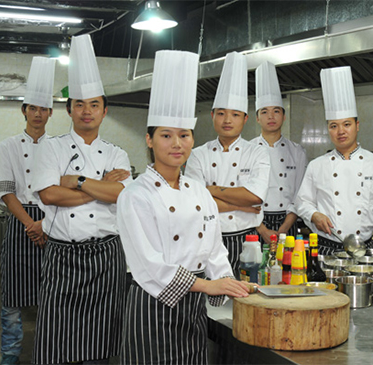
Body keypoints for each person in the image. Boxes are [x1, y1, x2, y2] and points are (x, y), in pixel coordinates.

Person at [117, 50, 250, 365]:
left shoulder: (198, 190)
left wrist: (231, 285)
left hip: (193, 309)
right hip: (153, 306)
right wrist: (207, 284)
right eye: (166, 135)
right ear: (149, 140)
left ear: (192, 139)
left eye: (184, 135)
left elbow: (214, 249)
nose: (177, 144)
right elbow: (150, 266)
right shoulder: (135, 195)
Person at [31, 34, 132, 364]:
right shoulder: (51, 147)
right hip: (62, 256)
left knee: (103, 338)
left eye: (94, 104)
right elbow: (48, 193)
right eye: (79, 104)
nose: (87, 111)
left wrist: (74, 182)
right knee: (56, 338)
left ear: (105, 110)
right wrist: (97, 187)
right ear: (69, 110)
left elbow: (119, 194)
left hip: (106, 255)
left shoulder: (117, 152)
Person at [294, 66, 373, 255]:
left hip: (364, 249)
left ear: (357, 126)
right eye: (334, 126)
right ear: (328, 128)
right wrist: (314, 214)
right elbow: (302, 202)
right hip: (325, 248)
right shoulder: (316, 165)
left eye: (347, 124)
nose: (340, 131)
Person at [185, 52, 270, 277]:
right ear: (212, 116)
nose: (227, 120)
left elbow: (255, 197)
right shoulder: (197, 154)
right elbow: (196, 203)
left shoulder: (257, 151)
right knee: (212, 303)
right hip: (209, 236)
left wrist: (210, 190)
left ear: (245, 119)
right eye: (221, 113)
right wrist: (240, 205)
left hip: (248, 240)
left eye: (234, 114)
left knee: (248, 297)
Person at [0, 57, 55, 365]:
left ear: (50, 113)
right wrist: (31, 224)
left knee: (51, 295)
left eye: (43, 109)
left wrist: (44, 223)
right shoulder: (8, 145)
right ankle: (9, 353)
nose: (37, 114)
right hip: (21, 223)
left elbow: (61, 192)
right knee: (12, 298)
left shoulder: (59, 147)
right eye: (32, 108)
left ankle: (49, 350)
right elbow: (6, 189)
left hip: (52, 223)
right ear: (24, 110)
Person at [250, 61, 307, 243]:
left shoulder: (297, 152)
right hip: (254, 221)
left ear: (283, 116)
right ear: (257, 118)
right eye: (264, 112)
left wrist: (283, 229)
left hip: (287, 222)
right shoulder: (247, 150)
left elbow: (300, 194)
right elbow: (243, 194)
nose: (271, 116)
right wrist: (262, 229)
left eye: (276, 111)